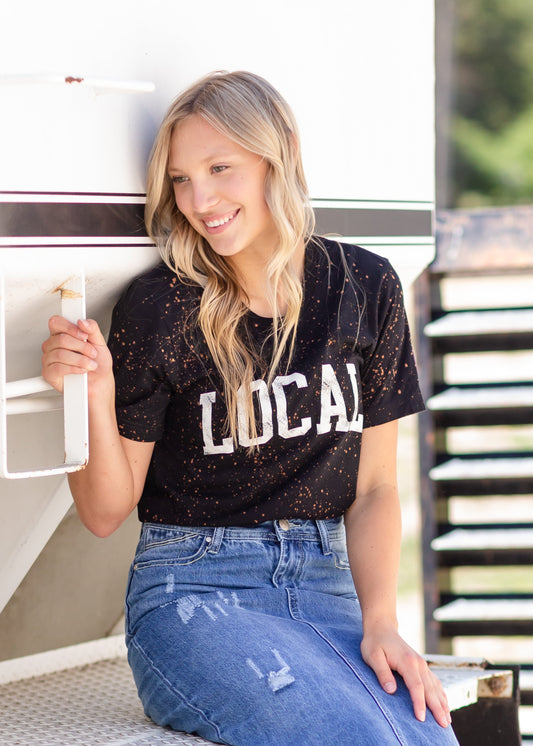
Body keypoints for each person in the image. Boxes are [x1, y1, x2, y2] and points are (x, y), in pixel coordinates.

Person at [41, 70, 458, 746]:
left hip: (329, 588)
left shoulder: (365, 285)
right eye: (180, 179)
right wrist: (89, 391)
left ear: (280, 152)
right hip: (194, 593)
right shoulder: (160, 308)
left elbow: (375, 488)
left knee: (430, 736)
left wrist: (381, 620)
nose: (199, 199)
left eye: (219, 168)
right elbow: (104, 511)